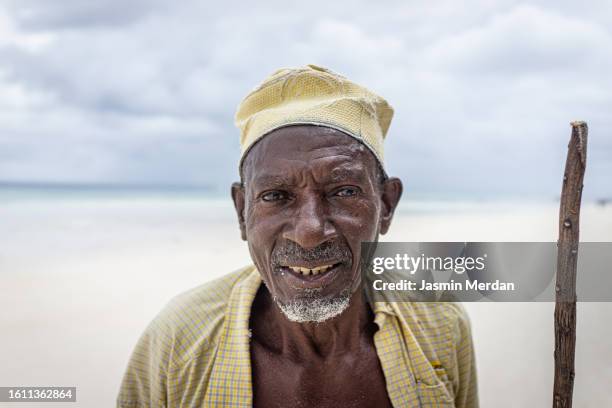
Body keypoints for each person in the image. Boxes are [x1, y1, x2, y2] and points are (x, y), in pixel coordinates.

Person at [117, 64, 478, 407]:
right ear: (241, 212)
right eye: (275, 196)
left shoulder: (440, 321)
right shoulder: (179, 338)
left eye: (344, 192)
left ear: (386, 204)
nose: (309, 233)